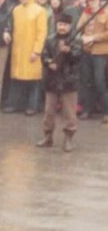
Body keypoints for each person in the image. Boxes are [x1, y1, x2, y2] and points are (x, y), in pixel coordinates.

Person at [37, 11, 82, 152]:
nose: (62, 27)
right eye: (60, 24)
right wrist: (48, 63)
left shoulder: (76, 40)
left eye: (65, 25)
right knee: (49, 111)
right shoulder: (50, 39)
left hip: (69, 81)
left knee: (69, 113)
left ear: (69, 26)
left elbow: (77, 58)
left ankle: (68, 139)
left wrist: (69, 52)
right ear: (56, 24)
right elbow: (44, 56)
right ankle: (48, 136)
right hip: (52, 80)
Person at [4, 0, 47, 115]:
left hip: (31, 49)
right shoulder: (16, 9)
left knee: (33, 80)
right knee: (17, 78)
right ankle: (14, 104)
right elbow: (11, 26)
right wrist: (7, 32)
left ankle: (32, 106)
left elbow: (42, 33)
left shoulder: (40, 11)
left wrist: (37, 51)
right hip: (18, 49)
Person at [77, 0, 108, 123]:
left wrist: (94, 38)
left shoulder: (106, 13)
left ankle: (106, 111)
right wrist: (82, 37)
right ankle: (87, 110)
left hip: (100, 52)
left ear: (99, 0)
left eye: (95, 0)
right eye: (90, 0)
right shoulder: (85, 13)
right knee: (87, 81)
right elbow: (78, 29)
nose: (93, 2)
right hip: (86, 51)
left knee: (100, 81)